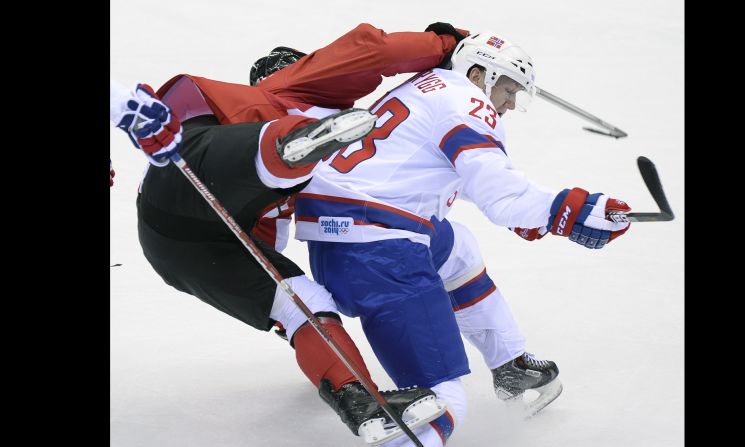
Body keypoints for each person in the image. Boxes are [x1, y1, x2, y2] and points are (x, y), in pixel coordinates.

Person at [286, 31, 632, 447]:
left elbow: (438, 171)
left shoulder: (422, 87)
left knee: (457, 247)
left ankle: (511, 366)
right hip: (381, 255)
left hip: (342, 242)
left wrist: (542, 211)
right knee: (442, 403)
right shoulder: (467, 101)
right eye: (507, 89)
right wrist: (572, 209)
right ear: (477, 73)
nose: (508, 104)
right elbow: (501, 196)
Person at [109, 78, 445, 445]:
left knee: (300, 299)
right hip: (176, 189)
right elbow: (178, 98)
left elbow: (267, 237)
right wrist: (444, 44)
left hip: (189, 250)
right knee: (236, 152)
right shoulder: (252, 95)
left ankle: (362, 403)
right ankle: (287, 148)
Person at [249, 25, 562, 414]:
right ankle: (356, 381)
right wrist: (449, 43)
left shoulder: (282, 115)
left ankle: (509, 363)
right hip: (370, 240)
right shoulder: (324, 105)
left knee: (457, 247)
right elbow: (374, 50)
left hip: (364, 225)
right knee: (437, 390)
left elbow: (409, 165)